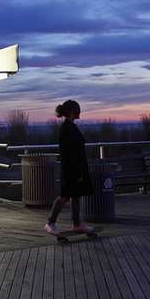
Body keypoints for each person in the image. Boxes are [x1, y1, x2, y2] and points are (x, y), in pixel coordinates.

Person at [45, 100, 94, 235]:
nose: (80, 112)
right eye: (78, 110)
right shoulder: (67, 128)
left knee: (75, 195)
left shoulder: (69, 127)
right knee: (65, 195)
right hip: (71, 168)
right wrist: (76, 169)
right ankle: (50, 222)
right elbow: (70, 151)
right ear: (72, 112)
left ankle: (77, 224)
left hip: (75, 167)